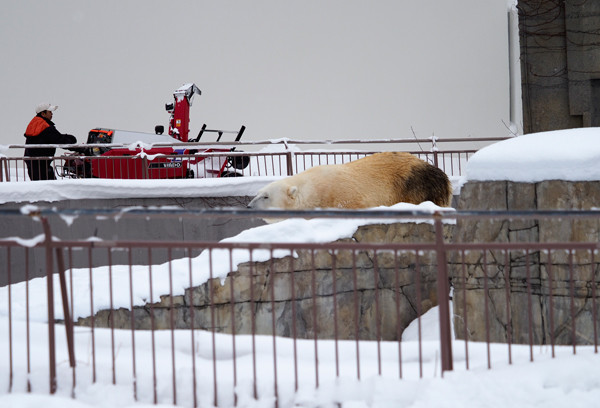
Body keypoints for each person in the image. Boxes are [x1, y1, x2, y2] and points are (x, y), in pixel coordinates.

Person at [24, 103, 77, 180]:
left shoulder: (34, 124)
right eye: (50, 112)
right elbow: (59, 140)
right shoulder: (45, 126)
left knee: (39, 186)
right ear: (43, 113)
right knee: (49, 187)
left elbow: (53, 137)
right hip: (42, 164)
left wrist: (66, 137)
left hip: (31, 162)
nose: (52, 114)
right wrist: (74, 142)